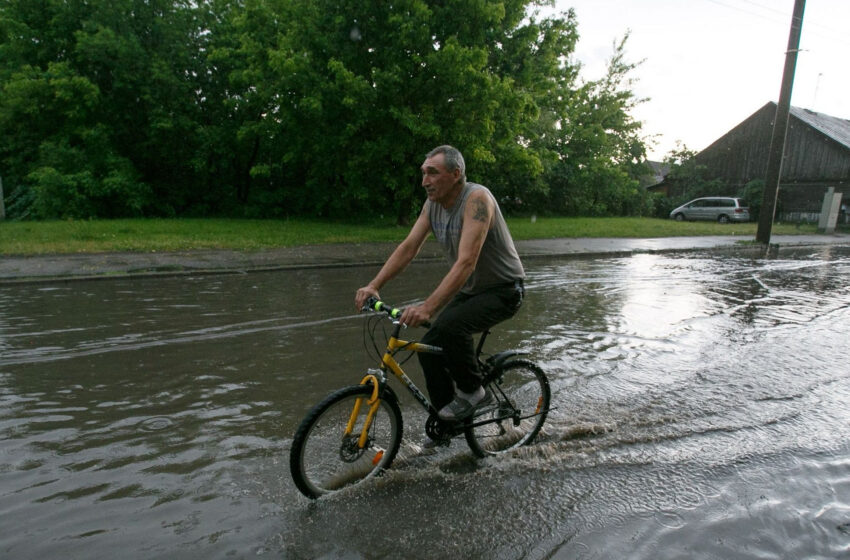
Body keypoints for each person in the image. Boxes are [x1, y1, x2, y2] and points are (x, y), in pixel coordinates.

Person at [354, 145, 525, 427]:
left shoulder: (477, 200)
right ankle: (446, 423)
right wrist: (374, 285)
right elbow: (408, 248)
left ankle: (474, 392)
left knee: (450, 328)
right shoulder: (432, 206)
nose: (424, 181)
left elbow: (466, 262)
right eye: (423, 173)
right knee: (429, 346)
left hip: (504, 290)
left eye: (432, 173)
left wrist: (427, 308)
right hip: (472, 290)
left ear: (456, 174)